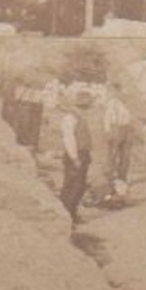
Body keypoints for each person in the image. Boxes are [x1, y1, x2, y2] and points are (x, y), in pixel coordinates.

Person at [100, 75, 146, 201]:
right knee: (113, 156)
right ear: (113, 91)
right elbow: (107, 118)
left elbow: (129, 118)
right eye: (117, 90)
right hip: (116, 129)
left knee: (125, 157)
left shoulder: (124, 103)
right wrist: (109, 132)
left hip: (126, 129)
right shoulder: (112, 103)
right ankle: (111, 182)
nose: (119, 93)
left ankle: (122, 179)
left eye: (120, 90)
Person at [56, 88, 94, 226]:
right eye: (83, 106)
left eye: (87, 107)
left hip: (83, 154)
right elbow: (69, 139)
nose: (86, 109)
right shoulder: (69, 118)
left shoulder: (81, 118)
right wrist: (74, 157)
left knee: (80, 186)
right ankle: (66, 214)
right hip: (75, 155)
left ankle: (72, 213)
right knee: (71, 186)